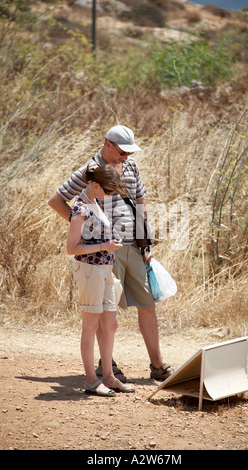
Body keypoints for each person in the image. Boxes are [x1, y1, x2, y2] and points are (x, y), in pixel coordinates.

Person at [49, 125, 173, 381]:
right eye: (122, 151)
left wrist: (145, 242)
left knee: (147, 305)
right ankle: (109, 367)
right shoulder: (90, 169)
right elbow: (56, 201)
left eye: (129, 151)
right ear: (108, 144)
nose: (125, 156)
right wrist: (84, 229)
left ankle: (157, 366)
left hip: (134, 247)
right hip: (106, 252)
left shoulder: (132, 166)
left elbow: (140, 201)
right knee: (106, 310)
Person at [67, 163, 135, 396]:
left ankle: (108, 375)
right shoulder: (80, 208)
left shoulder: (95, 203)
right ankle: (91, 381)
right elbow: (71, 248)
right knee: (91, 325)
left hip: (104, 270)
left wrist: (109, 247)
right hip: (88, 271)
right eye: (108, 191)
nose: (111, 195)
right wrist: (104, 247)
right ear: (96, 185)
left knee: (110, 324)